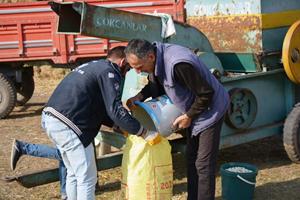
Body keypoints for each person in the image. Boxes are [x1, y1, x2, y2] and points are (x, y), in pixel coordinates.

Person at [125, 39, 230, 200]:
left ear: (151, 57)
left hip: (211, 109)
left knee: (203, 164)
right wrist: (139, 96)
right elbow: (157, 84)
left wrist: (189, 116)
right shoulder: (155, 60)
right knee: (191, 158)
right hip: (192, 108)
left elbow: (206, 93)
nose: (138, 72)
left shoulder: (179, 64)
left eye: (139, 67)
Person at [41, 46, 150, 200]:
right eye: (128, 69)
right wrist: (142, 131)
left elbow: (100, 107)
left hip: (52, 118)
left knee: (74, 174)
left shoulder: (95, 66)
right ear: (122, 62)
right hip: (67, 123)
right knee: (87, 178)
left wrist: (117, 125)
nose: (126, 74)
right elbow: (115, 110)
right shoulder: (110, 72)